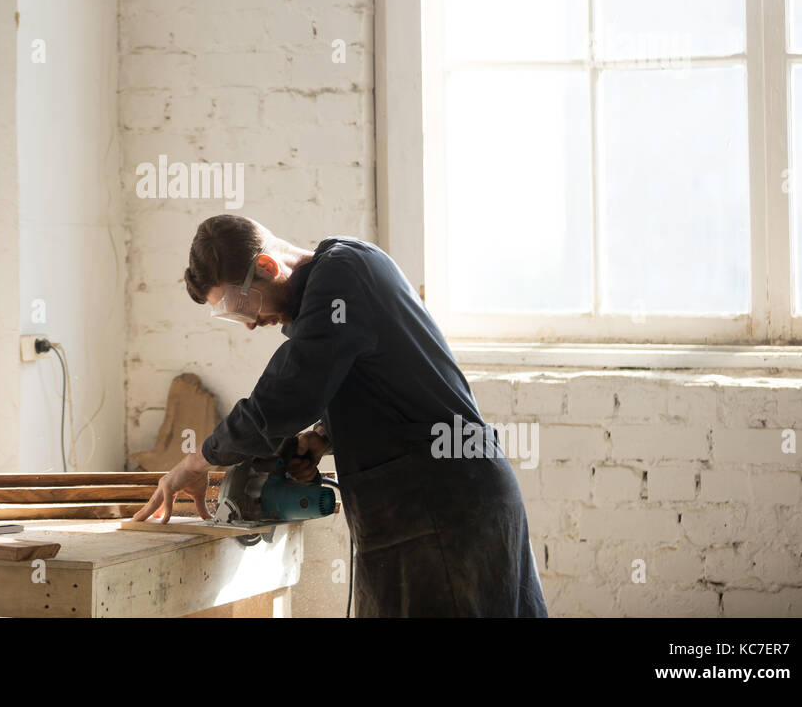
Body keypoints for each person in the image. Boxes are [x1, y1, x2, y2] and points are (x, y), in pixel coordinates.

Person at [133, 214, 548, 617]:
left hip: (441, 507)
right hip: (429, 507)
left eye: (244, 306)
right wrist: (322, 436)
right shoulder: (340, 282)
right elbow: (385, 384)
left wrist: (196, 460)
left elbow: (284, 398)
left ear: (266, 265)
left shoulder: (342, 276)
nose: (250, 324)